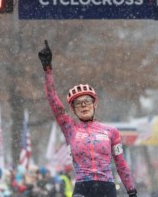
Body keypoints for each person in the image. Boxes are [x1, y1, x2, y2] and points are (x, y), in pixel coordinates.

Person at [38, 40, 137, 197]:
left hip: (107, 188)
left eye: (87, 102)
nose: (84, 106)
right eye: (78, 103)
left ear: (95, 104)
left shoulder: (111, 132)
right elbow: (52, 99)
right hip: (83, 187)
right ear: (73, 109)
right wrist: (48, 70)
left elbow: (121, 164)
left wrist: (131, 191)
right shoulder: (70, 129)